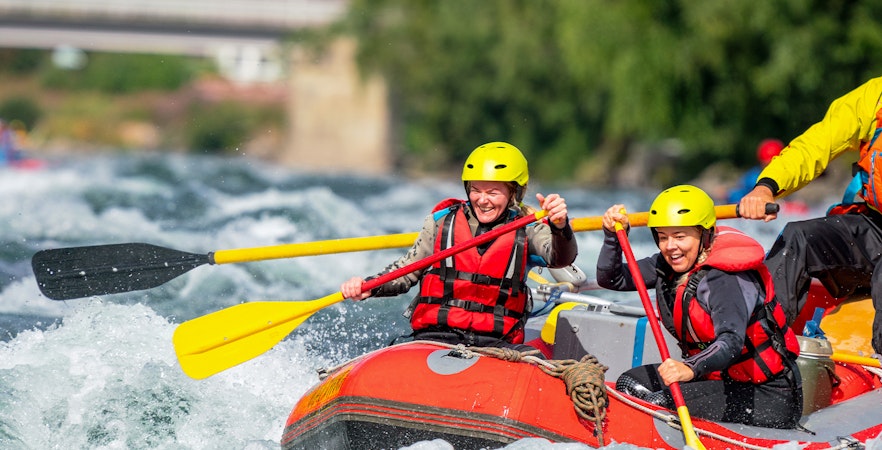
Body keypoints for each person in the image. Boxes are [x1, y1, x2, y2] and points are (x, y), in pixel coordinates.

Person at [597, 185, 803, 429]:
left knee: (661, 402)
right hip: (716, 379)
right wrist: (612, 237)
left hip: (769, 396)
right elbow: (612, 279)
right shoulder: (669, 265)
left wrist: (689, 368)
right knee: (629, 383)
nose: (670, 246)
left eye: (680, 236)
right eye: (663, 237)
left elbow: (731, 343)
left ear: (705, 235)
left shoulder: (726, 279)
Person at [341, 141, 578, 351]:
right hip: (435, 337)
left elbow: (560, 258)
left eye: (493, 192)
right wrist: (369, 286)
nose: (482, 200)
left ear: (514, 193)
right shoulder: (441, 223)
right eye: (475, 190)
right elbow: (406, 271)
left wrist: (560, 226)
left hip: (497, 343)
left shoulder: (528, 227)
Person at [737, 76, 882, 356]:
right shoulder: (874, 97)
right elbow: (814, 146)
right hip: (875, 227)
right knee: (799, 237)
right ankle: (760, 351)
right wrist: (766, 187)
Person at [725, 139, 784, 204]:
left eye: (770, 164)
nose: (768, 168)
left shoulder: (788, 176)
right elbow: (737, 195)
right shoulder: (752, 178)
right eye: (766, 164)